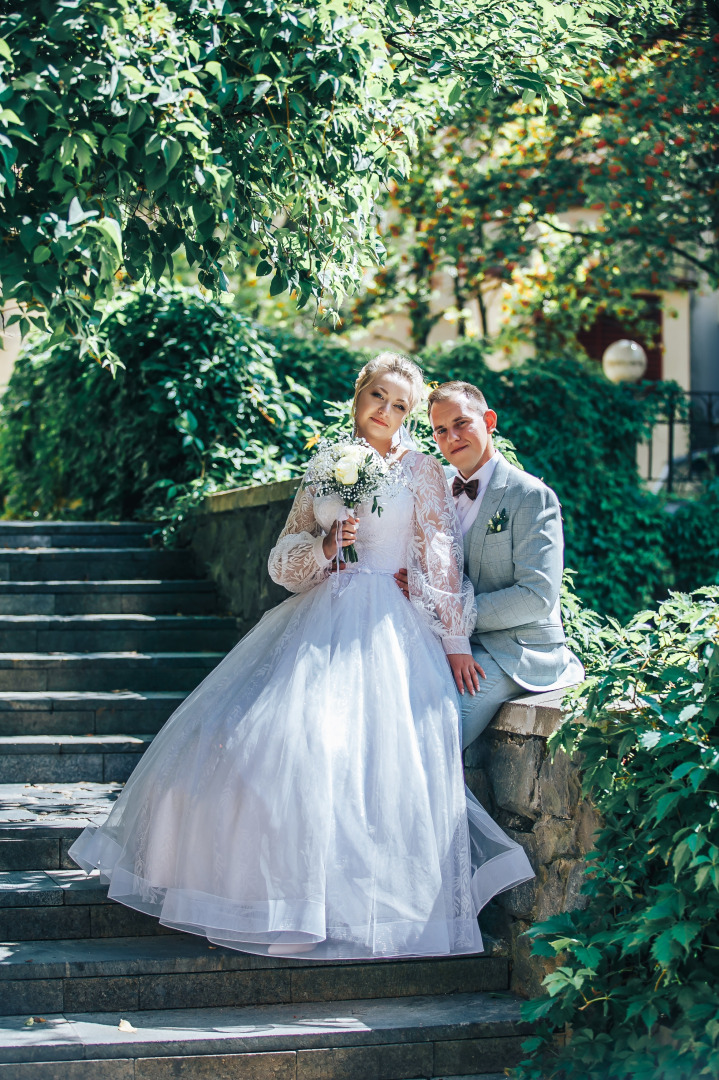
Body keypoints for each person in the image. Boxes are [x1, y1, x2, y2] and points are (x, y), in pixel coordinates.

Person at [69, 355, 534, 961]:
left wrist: (452, 642)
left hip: (388, 630)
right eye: (378, 397)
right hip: (318, 618)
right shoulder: (326, 465)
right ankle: (273, 901)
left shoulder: (422, 470)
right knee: (254, 744)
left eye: (400, 405)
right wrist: (324, 543)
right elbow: (285, 558)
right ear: (358, 396)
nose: (386, 413)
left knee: (359, 764)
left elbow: (439, 556)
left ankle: (364, 910)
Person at [396, 380, 584, 749]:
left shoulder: (530, 495)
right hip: (442, 646)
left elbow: (536, 595)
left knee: (435, 739)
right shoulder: (435, 487)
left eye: (461, 423)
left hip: (514, 650)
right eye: (440, 430)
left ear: (489, 420)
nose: (452, 436)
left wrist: (448, 615)